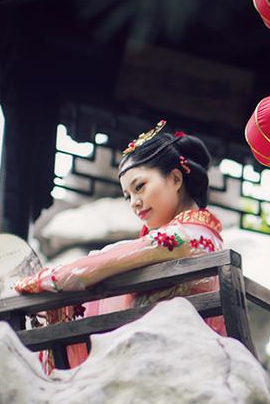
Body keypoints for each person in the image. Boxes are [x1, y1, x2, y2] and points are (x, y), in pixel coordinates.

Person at [14, 121, 226, 368]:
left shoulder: (182, 237)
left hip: (171, 357)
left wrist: (39, 281)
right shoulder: (201, 234)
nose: (134, 202)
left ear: (175, 179)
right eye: (128, 196)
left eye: (140, 187)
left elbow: (87, 271)